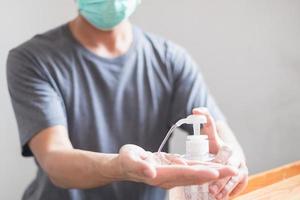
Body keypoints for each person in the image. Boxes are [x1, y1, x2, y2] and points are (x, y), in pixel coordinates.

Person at [6, 0, 248, 200]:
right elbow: (55, 159)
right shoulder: (32, 60)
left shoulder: (170, 60)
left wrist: (231, 161)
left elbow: (219, 133)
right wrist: (119, 167)